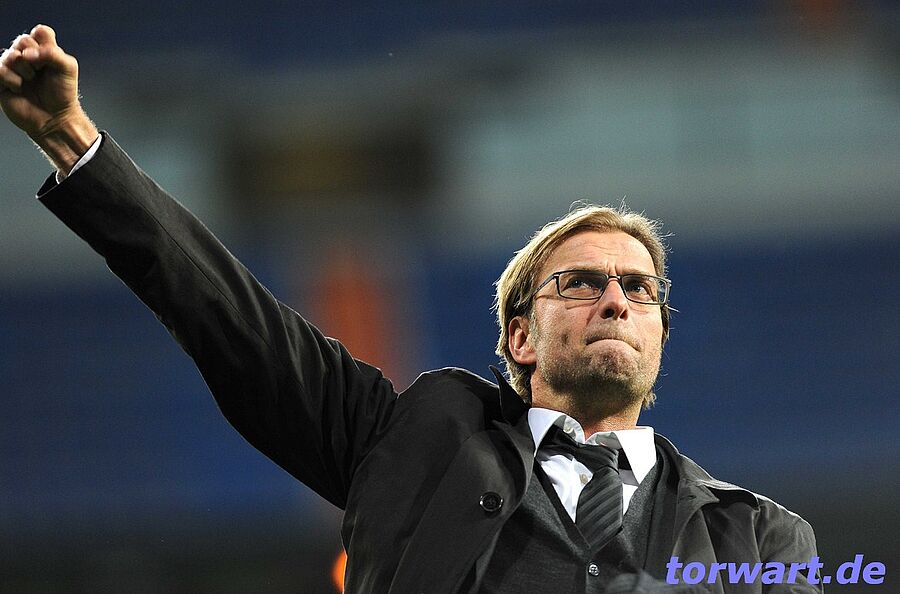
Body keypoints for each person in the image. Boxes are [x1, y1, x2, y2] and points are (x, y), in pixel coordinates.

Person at [1, 25, 821, 593]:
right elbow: (232, 321)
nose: (615, 298)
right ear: (520, 336)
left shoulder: (759, 539)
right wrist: (72, 138)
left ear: (661, 334)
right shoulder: (413, 444)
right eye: (581, 282)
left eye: (639, 289)